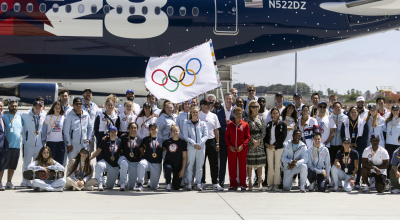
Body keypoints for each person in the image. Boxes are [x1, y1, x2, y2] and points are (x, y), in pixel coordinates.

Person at [341, 106, 369, 189]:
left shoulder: (363, 122)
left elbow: (365, 135)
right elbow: (342, 134)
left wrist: (357, 144)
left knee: (358, 163)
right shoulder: (345, 122)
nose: (353, 113)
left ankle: (357, 182)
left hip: (359, 146)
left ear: (358, 113)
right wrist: (348, 144)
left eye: (355, 112)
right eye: (352, 112)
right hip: (348, 146)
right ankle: (349, 180)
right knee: (349, 163)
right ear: (349, 113)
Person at [20, 101, 47, 188]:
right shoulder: (25, 114)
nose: (37, 109)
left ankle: (35, 180)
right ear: (33, 107)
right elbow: (16, 115)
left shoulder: (43, 115)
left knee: (37, 163)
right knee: (27, 162)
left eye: (39, 107)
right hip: (28, 143)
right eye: (36, 107)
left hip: (38, 144)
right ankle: (25, 180)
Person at [198, 99, 223, 191]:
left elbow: (216, 130)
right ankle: (202, 182)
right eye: (207, 104)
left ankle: (215, 183)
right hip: (201, 141)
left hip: (211, 141)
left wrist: (217, 143)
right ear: (202, 105)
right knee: (201, 163)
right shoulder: (198, 115)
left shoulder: (214, 115)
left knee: (214, 163)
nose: (209, 106)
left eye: (210, 104)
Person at [183, 106, 208, 191]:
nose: (195, 113)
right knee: (190, 165)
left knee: (199, 166)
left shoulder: (203, 123)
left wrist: (200, 144)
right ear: (191, 113)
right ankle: (189, 182)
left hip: (201, 147)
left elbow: (205, 135)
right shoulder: (186, 123)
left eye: (196, 112)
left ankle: (198, 182)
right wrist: (194, 144)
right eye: (193, 112)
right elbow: (186, 136)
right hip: (191, 147)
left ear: (199, 113)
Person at [225, 107, 250, 191]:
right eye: (236, 113)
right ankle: (233, 185)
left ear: (242, 114)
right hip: (231, 149)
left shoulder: (245, 124)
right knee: (232, 167)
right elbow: (227, 137)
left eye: (240, 113)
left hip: (242, 149)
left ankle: (243, 184)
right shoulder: (230, 125)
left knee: (242, 167)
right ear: (234, 114)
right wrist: (230, 146)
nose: (238, 115)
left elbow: (247, 137)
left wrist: (242, 146)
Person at [244, 100, 266, 191]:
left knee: (259, 163)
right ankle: (249, 182)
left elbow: (264, 131)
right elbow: (245, 132)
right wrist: (252, 141)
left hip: (259, 144)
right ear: (250, 108)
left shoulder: (261, 118)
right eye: (253, 107)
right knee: (249, 164)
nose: (255, 108)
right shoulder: (247, 119)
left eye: (256, 106)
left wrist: (258, 141)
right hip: (250, 143)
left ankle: (260, 182)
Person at [91, 126, 122, 191]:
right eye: (111, 132)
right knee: (99, 165)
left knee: (110, 186)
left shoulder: (120, 141)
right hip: (106, 163)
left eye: (114, 132)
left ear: (117, 132)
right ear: (109, 133)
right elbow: (98, 151)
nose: (113, 133)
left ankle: (105, 181)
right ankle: (99, 183)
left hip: (114, 166)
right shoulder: (104, 140)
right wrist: (90, 158)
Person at [63, 98, 93, 163]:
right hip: (73, 144)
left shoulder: (86, 114)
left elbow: (90, 127)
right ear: (73, 105)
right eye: (77, 104)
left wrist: (89, 138)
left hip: (84, 143)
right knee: (72, 163)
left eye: (80, 104)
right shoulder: (69, 115)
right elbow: (66, 130)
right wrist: (68, 144)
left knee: (84, 163)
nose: (78, 105)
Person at [0, 100, 22, 190]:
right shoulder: (4, 116)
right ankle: (0, 182)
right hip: (6, 146)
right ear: (8, 107)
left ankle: (9, 182)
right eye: (12, 106)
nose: (14, 107)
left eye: (16, 106)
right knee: (2, 166)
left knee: (12, 166)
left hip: (17, 146)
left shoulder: (20, 117)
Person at [264, 107, 286, 191]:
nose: (275, 115)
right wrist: (266, 144)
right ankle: (270, 184)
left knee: (277, 166)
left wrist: (274, 145)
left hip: (278, 147)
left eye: (276, 113)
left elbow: (282, 137)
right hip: (268, 147)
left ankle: (276, 184)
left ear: (279, 114)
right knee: (270, 166)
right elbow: (265, 136)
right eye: (273, 113)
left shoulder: (282, 124)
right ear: (271, 114)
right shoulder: (269, 124)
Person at [136, 123, 163, 191]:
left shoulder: (162, 140)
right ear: (149, 130)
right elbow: (141, 149)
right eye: (152, 129)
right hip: (148, 162)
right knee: (141, 163)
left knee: (154, 187)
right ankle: (140, 183)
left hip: (157, 164)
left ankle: (152, 183)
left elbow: (165, 148)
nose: (154, 130)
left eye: (155, 129)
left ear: (158, 129)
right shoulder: (145, 139)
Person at [217, 93, 235, 188]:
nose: (228, 100)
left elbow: (240, 124)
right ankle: (221, 181)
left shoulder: (236, 111)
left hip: (233, 143)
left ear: (233, 100)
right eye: (227, 98)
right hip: (223, 142)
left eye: (230, 99)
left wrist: (231, 124)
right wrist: (227, 128)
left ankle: (232, 182)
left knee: (232, 164)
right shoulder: (219, 112)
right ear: (224, 100)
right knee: (222, 163)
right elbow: (217, 127)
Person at [118, 122, 143, 190]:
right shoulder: (123, 137)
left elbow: (141, 152)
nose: (133, 129)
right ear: (128, 129)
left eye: (135, 128)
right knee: (124, 164)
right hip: (125, 159)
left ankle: (129, 182)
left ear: (137, 129)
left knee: (131, 186)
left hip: (134, 162)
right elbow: (118, 145)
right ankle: (122, 182)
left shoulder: (140, 139)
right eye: (131, 127)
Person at [163, 125, 187, 191]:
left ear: (179, 132)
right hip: (169, 162)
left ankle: (174, 183)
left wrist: (182, 170)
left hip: (178, 164)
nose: (175, 132)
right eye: (173, 131)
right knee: (168, 168)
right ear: (171, 132)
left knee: (176, 187)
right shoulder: (167, 142)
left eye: (176, 131)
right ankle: (168, 183)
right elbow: (161, 149)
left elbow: (184, 157)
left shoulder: (182, 143)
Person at [42, 101, 66, 166]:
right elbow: (41, 126)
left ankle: (58, 176)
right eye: (56, 108)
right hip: (50, 142)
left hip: (60, 142)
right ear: (53, 108)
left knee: (59, 162)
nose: (57, 109)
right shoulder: (48, 117)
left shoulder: (63, 117)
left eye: (59, 108)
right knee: (50, 162)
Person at [329, 102, 348, 177]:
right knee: (332, 161)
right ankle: (332, 178)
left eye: (339, 107)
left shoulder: (345, 117)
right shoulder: (329, 117)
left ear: (341, 108)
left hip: (341, 143)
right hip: (331, 142)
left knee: (341, 161)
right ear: (333, 108)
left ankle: (339, 178)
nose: (337, 109)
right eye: (335, 107)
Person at [81, 88, 101, 152]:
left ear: (91, 95)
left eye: (89, 93)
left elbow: (100, 115)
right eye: (86, 93)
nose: (88, 94)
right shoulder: (79, 104)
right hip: (80, 134)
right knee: (79, 153)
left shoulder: (94, 106)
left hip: (91, 135)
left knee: (89, 153)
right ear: (83, 95)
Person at [385, 105, 400, 175]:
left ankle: (396, 180)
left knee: (397, 163)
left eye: (396, 110)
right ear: (391, 111)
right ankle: (388, 179)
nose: (395, 111)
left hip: (398, 145)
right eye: (393, 110)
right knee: (388, 162)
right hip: (388, 144)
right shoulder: (387, 121)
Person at [0, 102, 8, 191]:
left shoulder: (2, 117)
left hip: (3, 145)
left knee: (1, 165)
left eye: (1, 106)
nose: (0, 107)